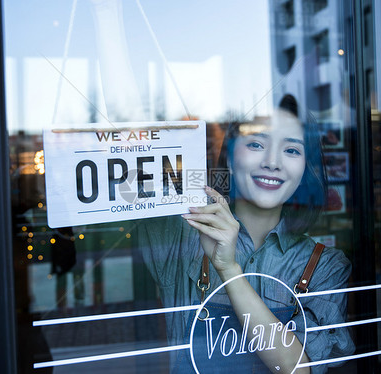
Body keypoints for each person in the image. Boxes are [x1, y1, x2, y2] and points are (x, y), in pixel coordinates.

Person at [137, 108, 355, 373]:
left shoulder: (325, 265)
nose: (273, 162)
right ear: (229, 158)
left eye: (292, 150)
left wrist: (229, 270)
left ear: (304, 171)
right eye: (256, 144)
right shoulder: (184, 229)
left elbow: (297, 369)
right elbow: (132, 149)